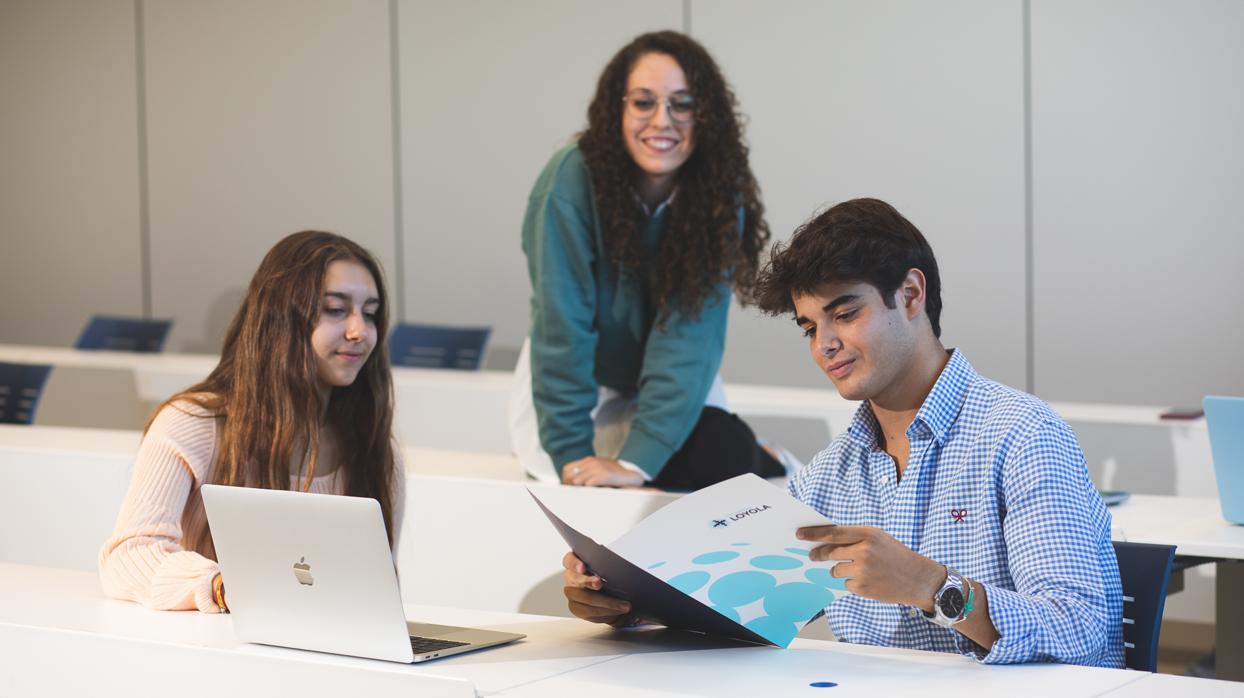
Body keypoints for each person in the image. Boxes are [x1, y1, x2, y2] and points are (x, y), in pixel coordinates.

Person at [561, 198, 1124, 667]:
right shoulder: (831, 474)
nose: (822, 344)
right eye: (809, 326)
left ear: (910, 295)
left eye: (844, 314)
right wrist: (629, 604)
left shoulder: (1022, 435)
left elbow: (1080, 630)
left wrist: (931, 587)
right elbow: (749, 610)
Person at [509, 30, 787, 490]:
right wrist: (571, 453)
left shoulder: (719, 194)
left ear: (706, 116)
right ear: (616, 110)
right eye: (643, 102)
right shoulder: (570, 181)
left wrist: (637, 461)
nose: (663, 120)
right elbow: (563, 330)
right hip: (581, 384)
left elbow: (689, 338)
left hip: (666, 380)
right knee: (588, 487)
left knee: (724, 455)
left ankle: (767, 456)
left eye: (682, 103)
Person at [99, 230, 404, 613]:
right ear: (281, 319)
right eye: (335, 309)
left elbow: (377, 592)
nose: (360, 331)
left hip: (334, 655)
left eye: (370, 313)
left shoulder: (374, 446)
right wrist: (224, 587)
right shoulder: (192, 423)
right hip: (216, 653)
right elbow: (130, 554)